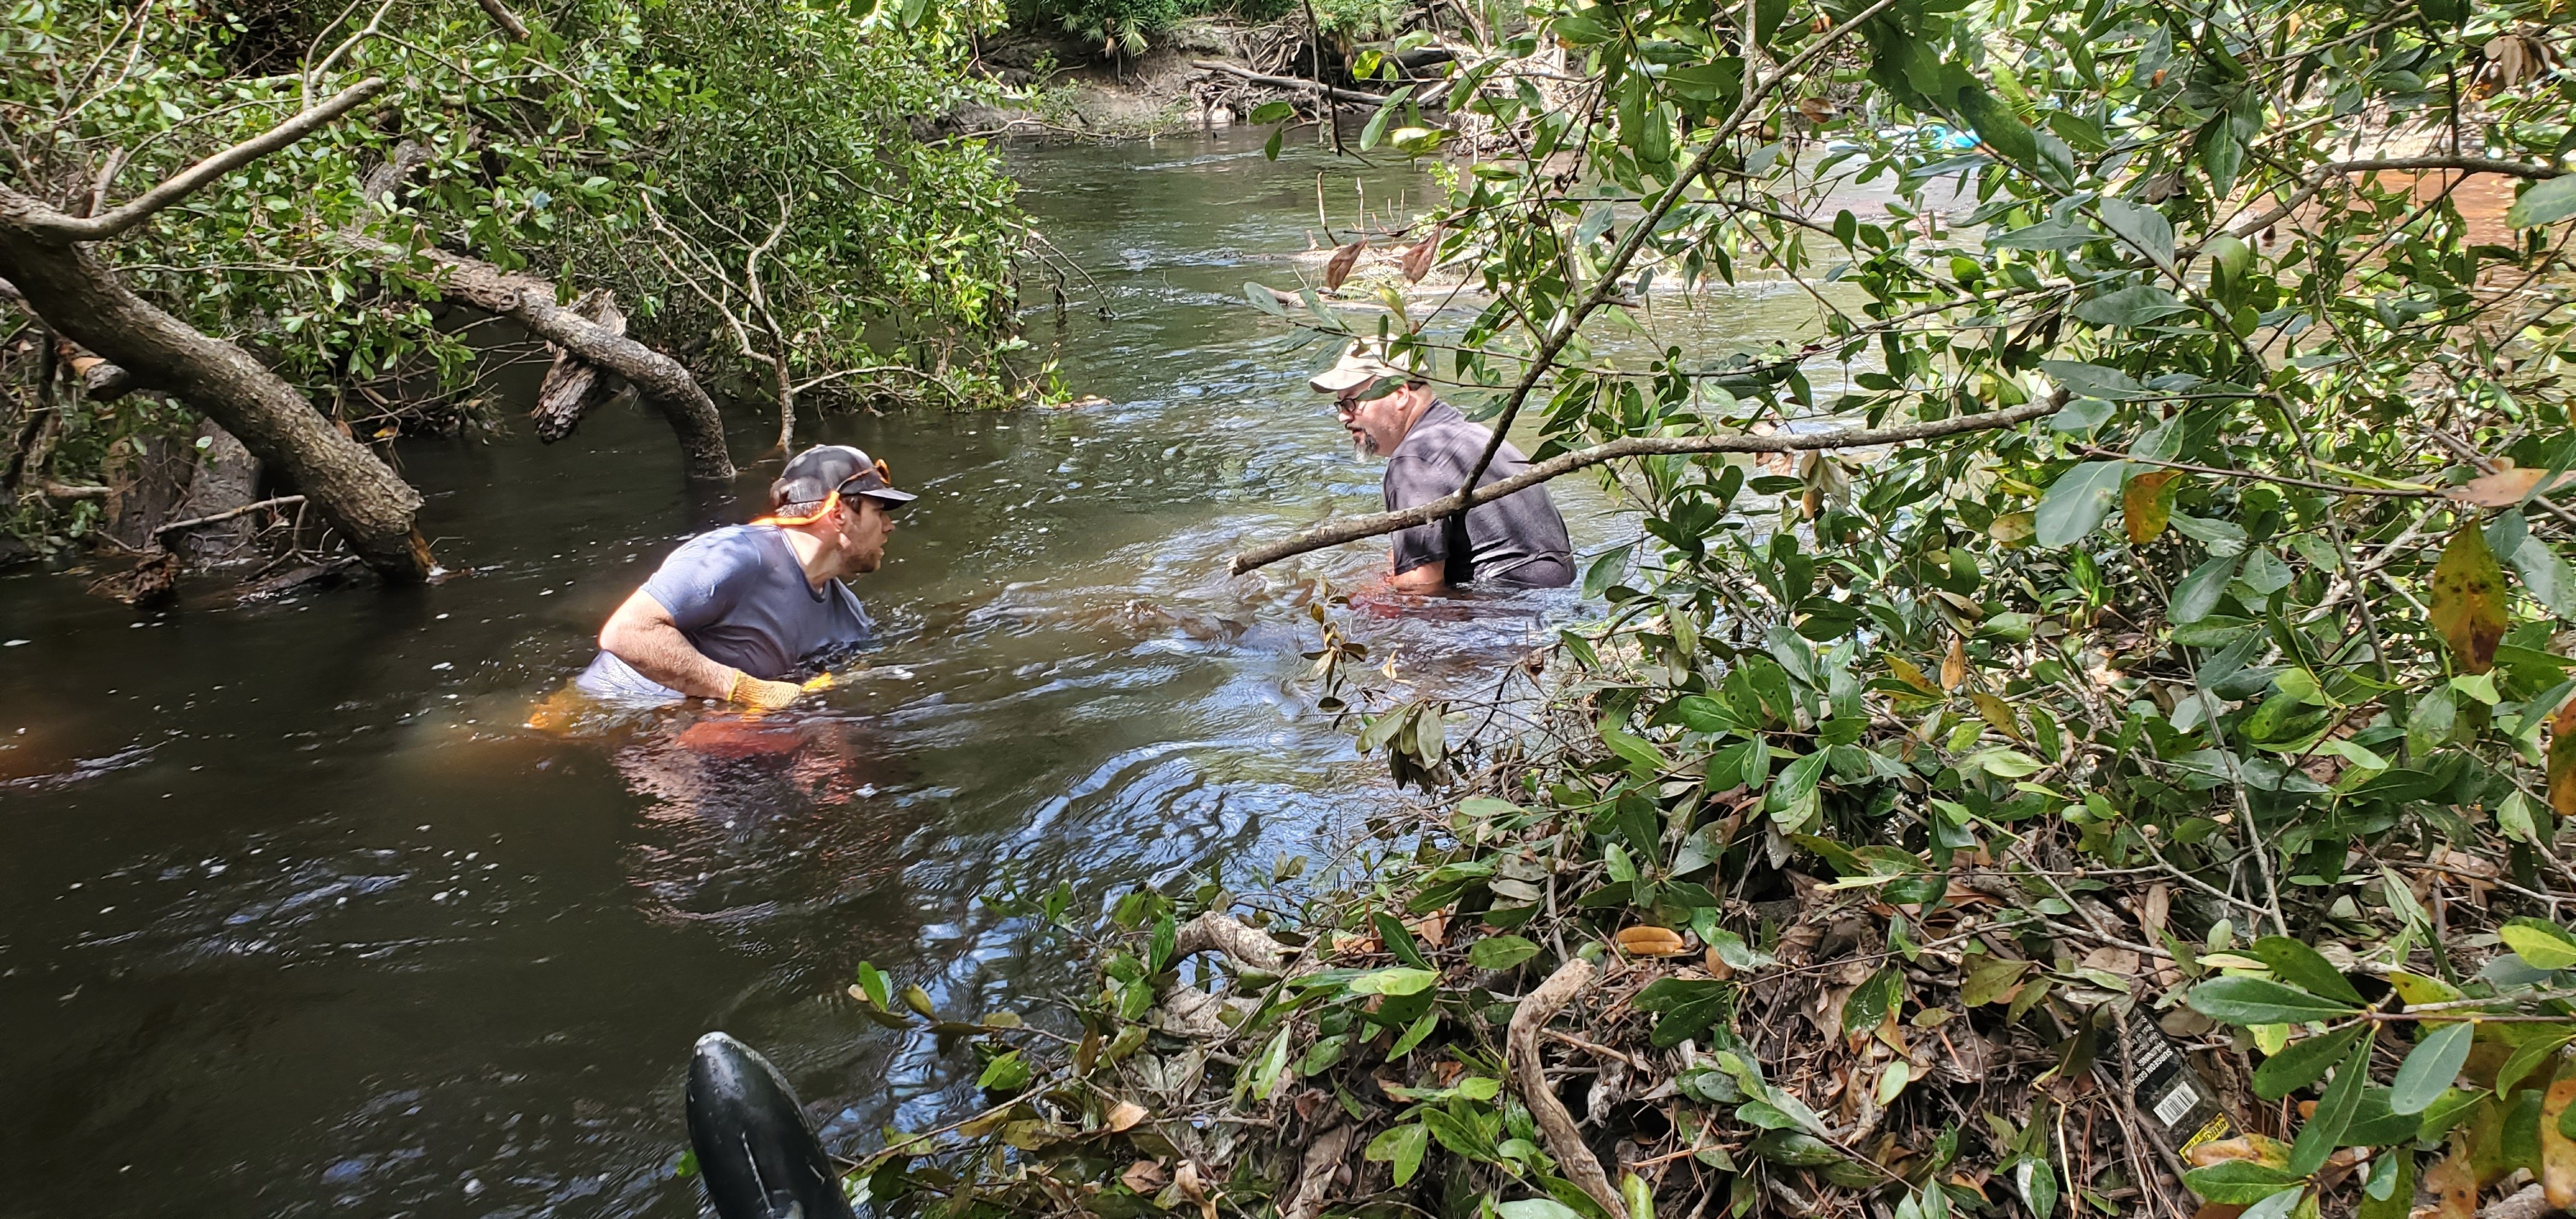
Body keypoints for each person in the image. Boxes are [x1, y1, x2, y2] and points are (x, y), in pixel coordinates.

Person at [575, 444, 915, 708]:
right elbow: (625, 633)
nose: (889, 526)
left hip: (694, 724)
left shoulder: (849, 615)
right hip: (601, 715)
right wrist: (744, 689)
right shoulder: (735, 555)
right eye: (879, 511)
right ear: (839, 512)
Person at [1312, 340, 1574, 593]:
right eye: (1341, 405)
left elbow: (1418, 589)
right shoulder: (1466, 433)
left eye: (1351, 403)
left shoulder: (1413, 462)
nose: (1343, 416)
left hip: (1506, 615)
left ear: (1400, 394)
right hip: (1551, 598)